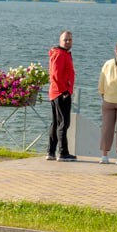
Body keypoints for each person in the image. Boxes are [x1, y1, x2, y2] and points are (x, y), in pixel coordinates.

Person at [47, 30, 76, 162]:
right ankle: (63, 152)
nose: (68, 41)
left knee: (57, 123)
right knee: (63, 123)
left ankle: (51, 152)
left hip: (58, 92)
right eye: (65, 39)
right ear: (60, 41)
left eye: (70, 39)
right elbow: (55, 74)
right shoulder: (59, 54)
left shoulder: (64, 54)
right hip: (60, 93)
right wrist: (64, 91)